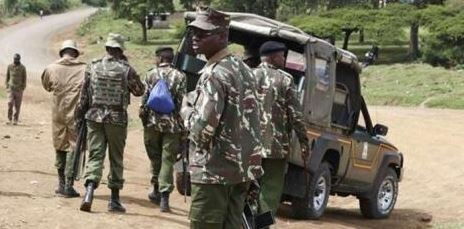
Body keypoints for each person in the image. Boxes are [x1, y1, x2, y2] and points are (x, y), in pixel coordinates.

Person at [187, 7, 263, 229]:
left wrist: (186, 110)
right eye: (193, 32)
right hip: (240, 172)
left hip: (213, 173)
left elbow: (201, 132)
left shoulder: (214, 74)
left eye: (203, 33)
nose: (195, 38)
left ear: (223, 37)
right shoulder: (242, 69)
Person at [75, 33, 145, 213]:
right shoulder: (126, 69)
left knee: (95, 155)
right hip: (116, 119)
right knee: (116, 158)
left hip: (94, 118)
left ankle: (89, 192)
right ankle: (114, 200)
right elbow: (139, 91)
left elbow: (84, 96)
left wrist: (79, 116)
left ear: (106, 48)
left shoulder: (93, 66)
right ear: (121, 50)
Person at [253, 41, 309, 217]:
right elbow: (296, 115)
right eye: (282, 56)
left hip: (249, 145)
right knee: (270, 190)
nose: (284, 59)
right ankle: (262, 226)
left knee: (247, 187)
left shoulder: (247, 76)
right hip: (275, 146)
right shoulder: (285, 79)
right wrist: (304, 142)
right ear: (274, 57)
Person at [139, 47, 186, 212]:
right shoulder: (180, 76)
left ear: (160, 58)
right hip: (172, 125)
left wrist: (144, 120)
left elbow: (144, 101)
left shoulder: (150, 74)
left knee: (155, 158)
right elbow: (180, 103)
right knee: (168, 160)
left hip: (152, 123)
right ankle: (165, 199)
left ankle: (156, 190)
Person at [41, 40, 86, 198]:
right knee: (75, 147)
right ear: (75, 53)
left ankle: (60, 183)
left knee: (59, 145)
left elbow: (47, 86)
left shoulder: (51, 68)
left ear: (62, 52)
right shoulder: (85, 69)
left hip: (58, 112)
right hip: (77, 114)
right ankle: (69, 184)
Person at [5, 53, 26, 125]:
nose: (15, 60)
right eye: (14, 59)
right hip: (11, 88)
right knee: (10, 103)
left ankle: (15, 119)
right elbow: (7, 76)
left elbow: (24, 78)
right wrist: (7, 86)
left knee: (17, 105)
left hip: (19, 89)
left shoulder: (23, 67)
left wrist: (23, 87)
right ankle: (9, 119)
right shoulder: (10, 66)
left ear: (19, 60)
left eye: (17, 59)